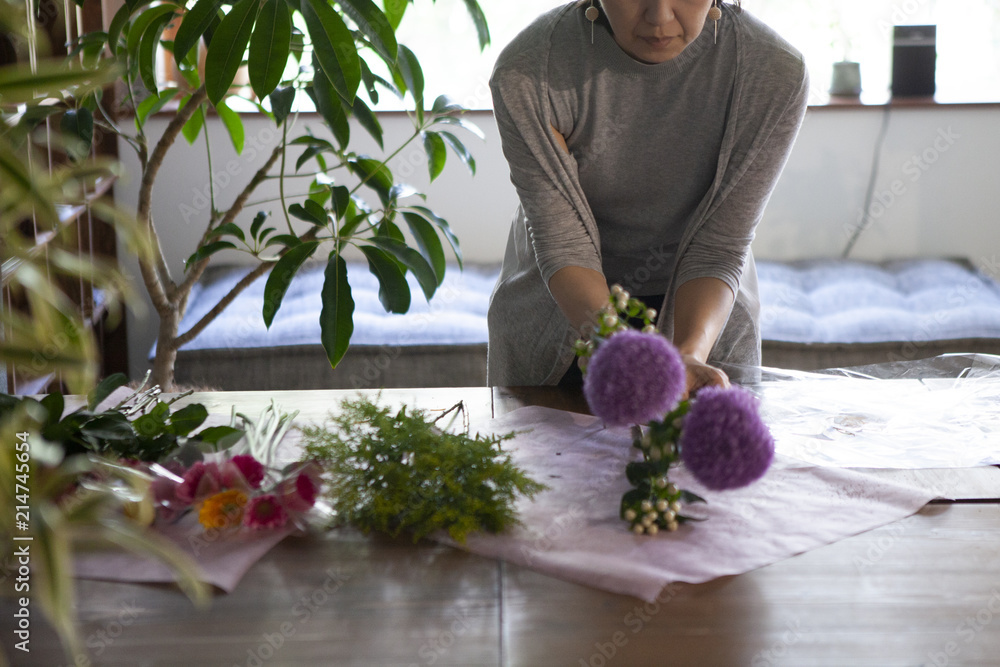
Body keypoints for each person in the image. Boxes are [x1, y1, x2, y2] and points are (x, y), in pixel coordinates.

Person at [486, 0, 808, 396]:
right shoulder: (530, 71)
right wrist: (612, 340)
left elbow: (720, 246)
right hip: (559, 315)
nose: (659, 17)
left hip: (706, 316)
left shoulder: (772, 72)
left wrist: (690, 355)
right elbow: (563, 243)